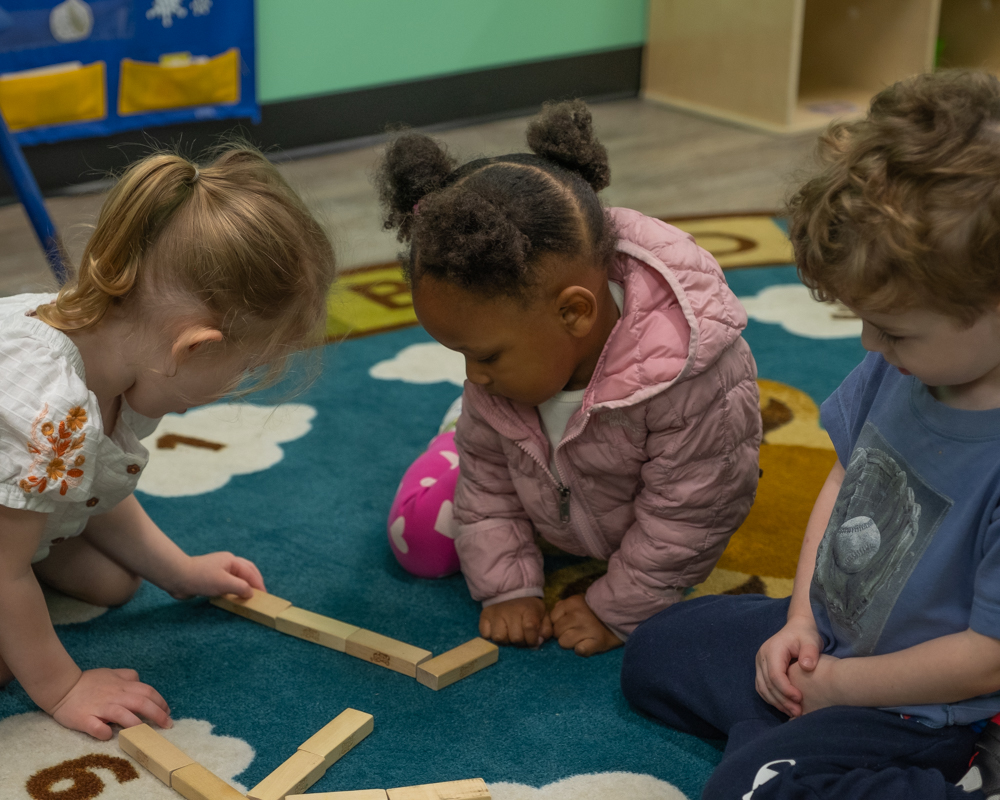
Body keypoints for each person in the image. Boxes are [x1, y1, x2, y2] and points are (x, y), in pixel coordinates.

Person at [620, 70, 1000, 800]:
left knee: (748, 791)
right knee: (659, 651)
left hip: (924, 706)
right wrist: (800, 619)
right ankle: (794, 746)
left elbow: (988, 657)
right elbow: (844, 477)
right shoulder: (907, 367)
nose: (867, 343)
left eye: (892, 328)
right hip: (834, 647)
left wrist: (843, 687)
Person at [376, 100, 761, 657]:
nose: (472, 375)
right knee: (420, 544)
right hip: (554, 499)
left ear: (575, 313)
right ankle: (448, 440)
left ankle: (449, 440)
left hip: (627, 521)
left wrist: (617, 608)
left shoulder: (689, 379)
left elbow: (689, 516)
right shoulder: (501, 372)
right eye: (460, 355)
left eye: (483, 354)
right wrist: (508, 588)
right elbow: (487, 484)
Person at [0, 145, 335, 740]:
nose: (231, 389)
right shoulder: (51, 409)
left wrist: (178, 571)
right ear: (194, 347)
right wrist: (63, 686)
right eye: (241, 370)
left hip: (14, 510)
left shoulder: (124, 365)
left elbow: (91, 479)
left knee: (113, 582)